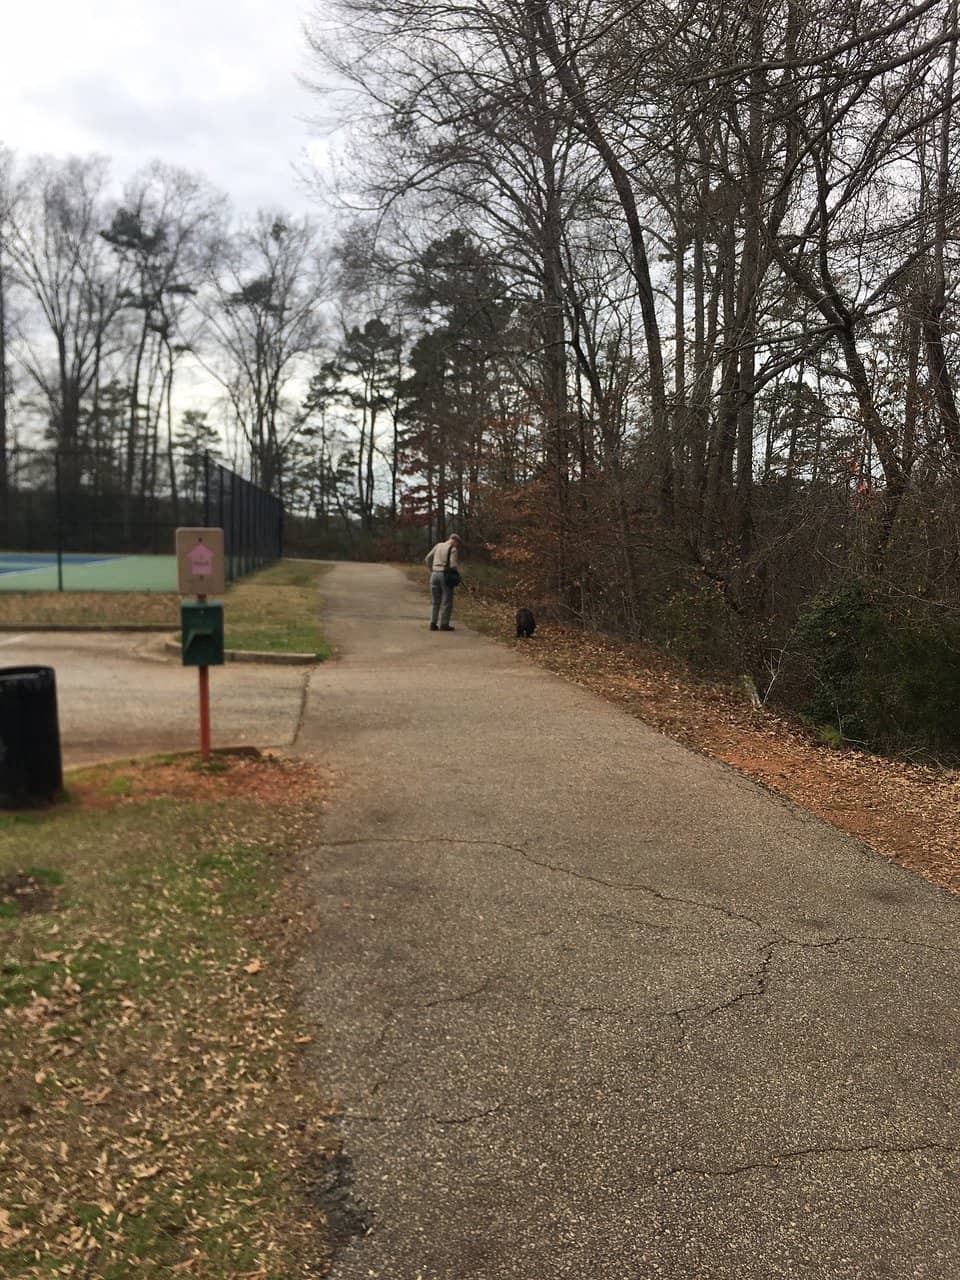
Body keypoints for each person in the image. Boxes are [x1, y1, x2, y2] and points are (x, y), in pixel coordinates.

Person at [424, 532, 461, 631]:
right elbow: (453, 565)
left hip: (434, 574)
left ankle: (433, 623)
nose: (457, 545)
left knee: (435, 601)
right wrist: (457, 574)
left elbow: (427, 558)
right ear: (454, 540)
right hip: (445, 575)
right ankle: (444, 624)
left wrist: (431, 570)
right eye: (457, 543)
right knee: (447, 600)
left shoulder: (438, 545)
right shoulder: (453, 549)